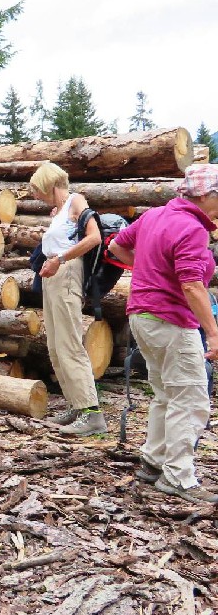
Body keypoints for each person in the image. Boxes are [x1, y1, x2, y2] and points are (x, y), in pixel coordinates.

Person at [108, 164, 218, 503]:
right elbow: (192, 286)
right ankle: (178, 477)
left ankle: (153, 461)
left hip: (142, 316)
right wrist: (214, 334)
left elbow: (117, 247)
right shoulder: (192, 227)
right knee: (191, 399)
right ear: (205, 195)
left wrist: (150, 269)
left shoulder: (157, 215)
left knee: (166, 393)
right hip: (171, 321)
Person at [29, 162, 105, 436]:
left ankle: (92, 413)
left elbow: (94, 238)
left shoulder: (76, 201)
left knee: (70, 344)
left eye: (39, 190)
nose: (37, 197)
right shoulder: (60, 210)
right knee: (55, 345)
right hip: (53, 274)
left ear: (51, 185)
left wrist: (60, 259)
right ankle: (76, 404)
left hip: (66, 272)